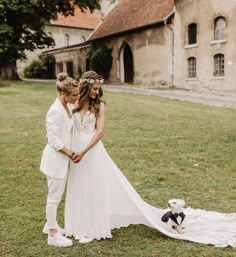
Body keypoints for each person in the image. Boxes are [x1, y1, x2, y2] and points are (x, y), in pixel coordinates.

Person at [65, 70, 236, 247]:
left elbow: (100, 132)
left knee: (94, 188)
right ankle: (77, 225)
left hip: (92, 151)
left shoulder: (100, 105)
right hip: (75, 150)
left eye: (98, 89)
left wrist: (84, 151)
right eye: (94, 89)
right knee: (79, 185)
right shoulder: (73, 102)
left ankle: (93, 228)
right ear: (85, 87)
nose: (96, 92)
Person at [40, 72, 80, 247]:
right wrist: (70, 153)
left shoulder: (68, 106)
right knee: (54, 197)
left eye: (77, 94)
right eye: (74, 95)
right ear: (62, 94)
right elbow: (54, 140)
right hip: (56, 160)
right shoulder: (55, 111)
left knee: (57, 195)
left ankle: (50, 225)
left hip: (62, 159)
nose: (76, 98)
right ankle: (53, 235)